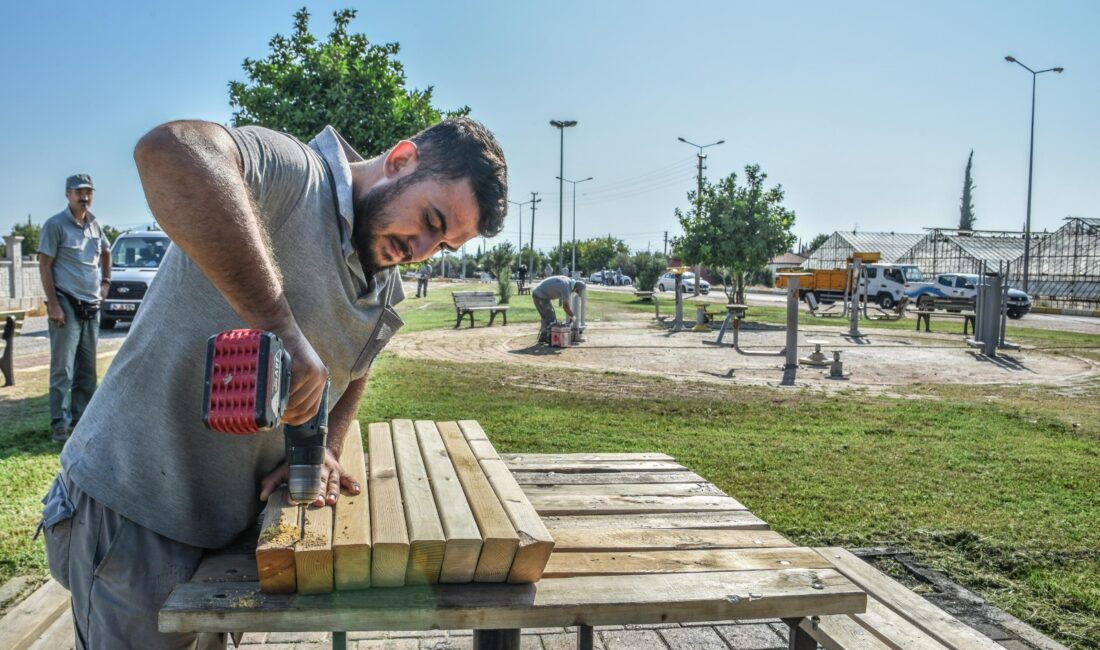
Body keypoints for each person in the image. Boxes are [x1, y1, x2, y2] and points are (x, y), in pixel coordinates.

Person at [38, 117, 507, 649]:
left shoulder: (386, 280)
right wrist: (279, 327)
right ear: (400, 160)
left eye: (442, 244)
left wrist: (325, 448)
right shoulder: (293, 171)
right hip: (135, 512)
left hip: (227, 529)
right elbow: (167, 150)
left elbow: (355, 367)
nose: (421, 248)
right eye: (430, 218)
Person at [37, 174, 112, 443]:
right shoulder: (55, 225)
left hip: (91, 305)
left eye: (89, 192)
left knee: (87, 370)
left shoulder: (95, 224)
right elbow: (45, 265)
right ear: (68, 194)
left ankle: (82, 421)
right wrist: (54, 305)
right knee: (63, 370)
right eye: (79, 192)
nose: (85, 197)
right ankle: (59, 424)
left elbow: (106, 252)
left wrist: (105, 283)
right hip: (65, 304)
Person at [532, 275, 585, 344]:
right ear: (575, 288)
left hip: (540, 294)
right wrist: (572, 316)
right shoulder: (566, 288)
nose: (574, 293)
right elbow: (565, 306)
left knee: (547, 316)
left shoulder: (567, 281)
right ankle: (551, 339)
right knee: (551, 319)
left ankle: (543, 337)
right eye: (576, 292)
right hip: (540, 296)